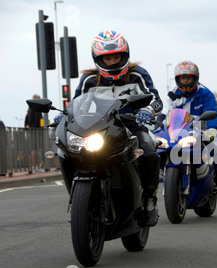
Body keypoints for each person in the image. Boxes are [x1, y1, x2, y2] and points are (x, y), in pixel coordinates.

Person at [58, 30, 163, 227]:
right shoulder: (90, 80)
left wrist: (148, 111)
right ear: (98, 59)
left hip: (132, 126)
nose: (113, 62)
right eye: (108, 58)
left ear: (125, 55)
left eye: (117, 56)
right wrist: (63, 115)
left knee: (149, 151)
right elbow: (76, 104)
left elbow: (155, 99)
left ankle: (149, 200)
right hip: (100, 129)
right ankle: (81, 199)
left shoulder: (137, 75)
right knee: (67, 151)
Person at [157, 60, 217, 196]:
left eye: (188, 77)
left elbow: (213, 113)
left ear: (195, 78)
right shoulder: (171, 94)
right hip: (177, 131)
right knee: (159, 145)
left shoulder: (205, 93)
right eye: (182, 78)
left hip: (200, 129)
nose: (185, 81)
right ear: (177, 79)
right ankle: (161, 172)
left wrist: (211, 129)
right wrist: (158, 123)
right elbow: (165, 111)